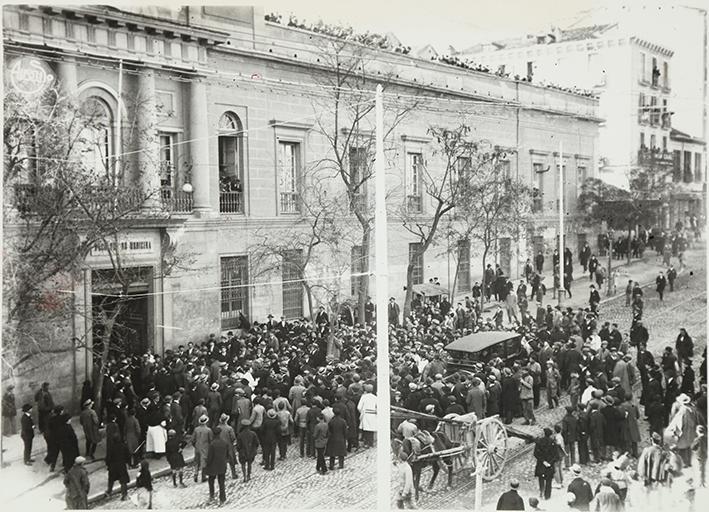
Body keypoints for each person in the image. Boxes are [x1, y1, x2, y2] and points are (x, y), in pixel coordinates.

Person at [205, 426, 229, 504]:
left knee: (211, 481)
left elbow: (210, 457)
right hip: (222, 465)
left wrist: (207, 464)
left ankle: (212, 496)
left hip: (213, 466)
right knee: (221, 482)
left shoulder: (212, 444)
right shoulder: (224, 443)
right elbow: (227, 455)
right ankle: (223, 498)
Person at [105, 430, 130, 501]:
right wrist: (128, 463)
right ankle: (124, 495)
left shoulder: (111, 447)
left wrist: (108, 465)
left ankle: (109, 492)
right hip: (121, 465)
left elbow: (108, 457)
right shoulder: (124, 446)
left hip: (113, 466)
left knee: (111, 480)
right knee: (123, 481)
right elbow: (128, 456)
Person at [534, 428, 558, 500]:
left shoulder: (539, 441)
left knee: (541, 478)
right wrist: (549, 463)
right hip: (549, 465)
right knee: (549, 480)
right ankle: (547, 496)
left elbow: (536, 453)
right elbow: (556, 455)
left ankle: (541, 491)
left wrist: (543, 461)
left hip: (541, 464)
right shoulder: (553, 442)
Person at [192, 414, 213, 482]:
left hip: (197, 448)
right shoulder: (208, 430)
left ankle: (195, 474)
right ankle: (203, 476)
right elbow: (211, 440)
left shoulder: (196, 429)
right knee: (204, 462)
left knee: (196, 462)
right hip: (205, 448)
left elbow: (193, 440)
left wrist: (195, 445)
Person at [358, 384, 376, 448]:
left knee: (366, 429)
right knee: (371, 428)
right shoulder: (375, 397)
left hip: (366, 414)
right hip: (373, 414)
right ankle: (371, 442)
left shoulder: (363, 397)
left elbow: (359, 407)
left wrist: (362, 412)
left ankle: (366, 443)